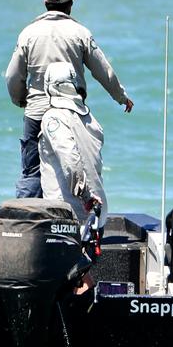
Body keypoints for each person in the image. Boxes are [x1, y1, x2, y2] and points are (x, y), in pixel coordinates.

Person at [5, 0, 134, 198]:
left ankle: (27, 222)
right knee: (73, 167)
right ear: (70, 5)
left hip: (36, 112)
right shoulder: (80, 33)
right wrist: (121, 97)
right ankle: (71, 221)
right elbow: (103, 71)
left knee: (32, 173)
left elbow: (13, 75)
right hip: (70, 113)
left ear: (45, 2)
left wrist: (21, 100)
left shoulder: (28, 33)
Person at [38, 62, 108, 229]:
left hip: (64, 218)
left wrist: (86, 198)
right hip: (97, 218)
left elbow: (70, 160)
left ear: (49, 86)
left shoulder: (53, 118)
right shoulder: (90, 119)